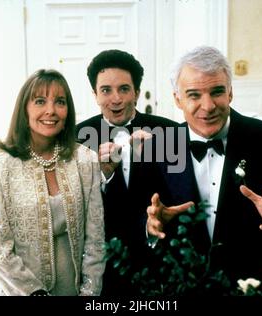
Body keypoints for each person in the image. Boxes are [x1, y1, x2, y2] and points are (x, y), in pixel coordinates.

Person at [145, 46, 262, 294]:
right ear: (177, 99)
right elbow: (137, 219)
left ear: (231, 93)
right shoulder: (157, 146)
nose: (208, 105)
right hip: (182, 286)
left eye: (217, 92)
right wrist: (150, 227)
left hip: (258, 285)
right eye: (194, 95)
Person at [0, 69, 105, 296]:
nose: (51, 110)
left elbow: (95, 239)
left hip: (73, 290)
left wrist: (89, 292)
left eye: (60, 102)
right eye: (40, 101)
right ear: (24, 109)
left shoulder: (85, 160)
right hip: (16, 290)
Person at [76, 49, 179, 296]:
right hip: (101, 266)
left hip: (158, 261)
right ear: (94, 94)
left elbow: (178, 198)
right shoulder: (77, 137)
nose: (116, 99)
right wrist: (105, 176)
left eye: (124, 89)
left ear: (137, 92)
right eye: (106, 90)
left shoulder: (170, 132)